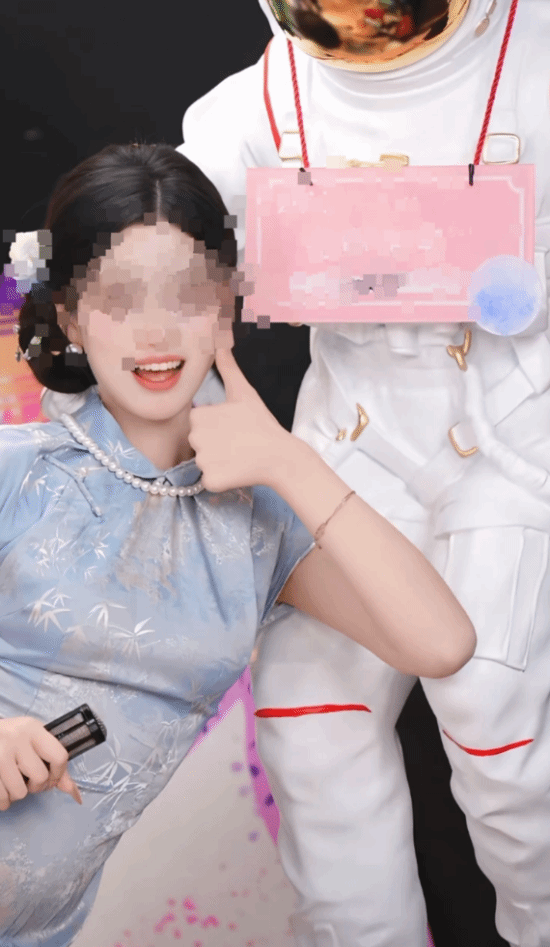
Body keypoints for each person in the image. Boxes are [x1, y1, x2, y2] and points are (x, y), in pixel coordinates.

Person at [0, 142, 474, 947]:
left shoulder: (258, 524)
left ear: (226, 307)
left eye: (187, 294)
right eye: (120, 298)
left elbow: (441, 641)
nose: (156, 329)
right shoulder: (18, 470)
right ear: (73, 316)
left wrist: (290, 461)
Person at [176, 2, 550, 946]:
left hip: (514, 429)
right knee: (309, 717)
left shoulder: (532, 57)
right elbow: (161, 230)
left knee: (493, 712)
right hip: (353, 434)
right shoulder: (269, 97)